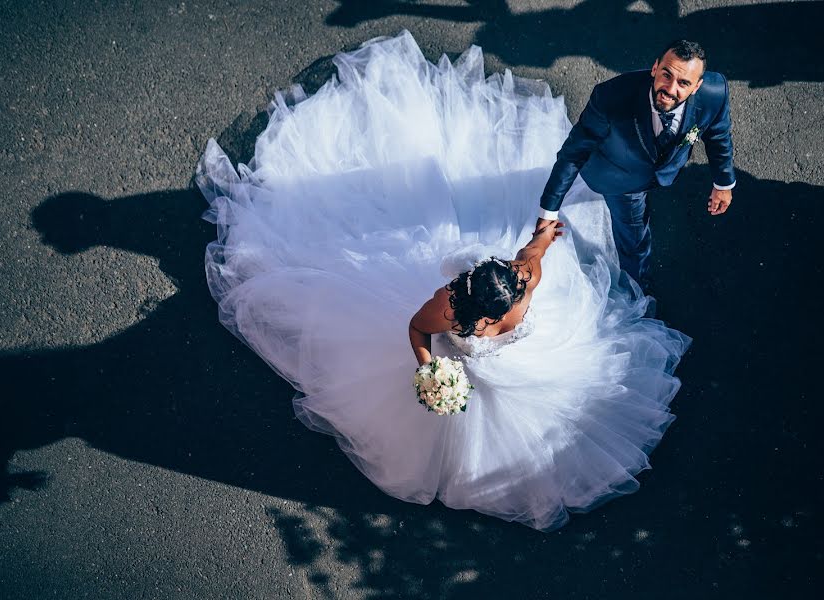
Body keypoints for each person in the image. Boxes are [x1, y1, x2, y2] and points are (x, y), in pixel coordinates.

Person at [196, 31, 690, 531]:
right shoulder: (475, 296)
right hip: (487, 362)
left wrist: (542, 235)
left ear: (496, 302)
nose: (516, 276)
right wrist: (431, 366)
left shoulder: (490, 295)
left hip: (507, 372)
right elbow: (428, 320)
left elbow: (497, 278)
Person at [538, 40, 736, 286]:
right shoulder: (611, 96)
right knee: (634, 241)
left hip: (663, 170)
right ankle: (636, 287)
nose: (671, 89)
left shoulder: (715, 94)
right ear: (655, 68)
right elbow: (574, 153)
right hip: (620, 179)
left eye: (683, 83)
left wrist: (723, 182)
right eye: (666, 75)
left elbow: (718, 135)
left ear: (697, 87)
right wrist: (548, 211)